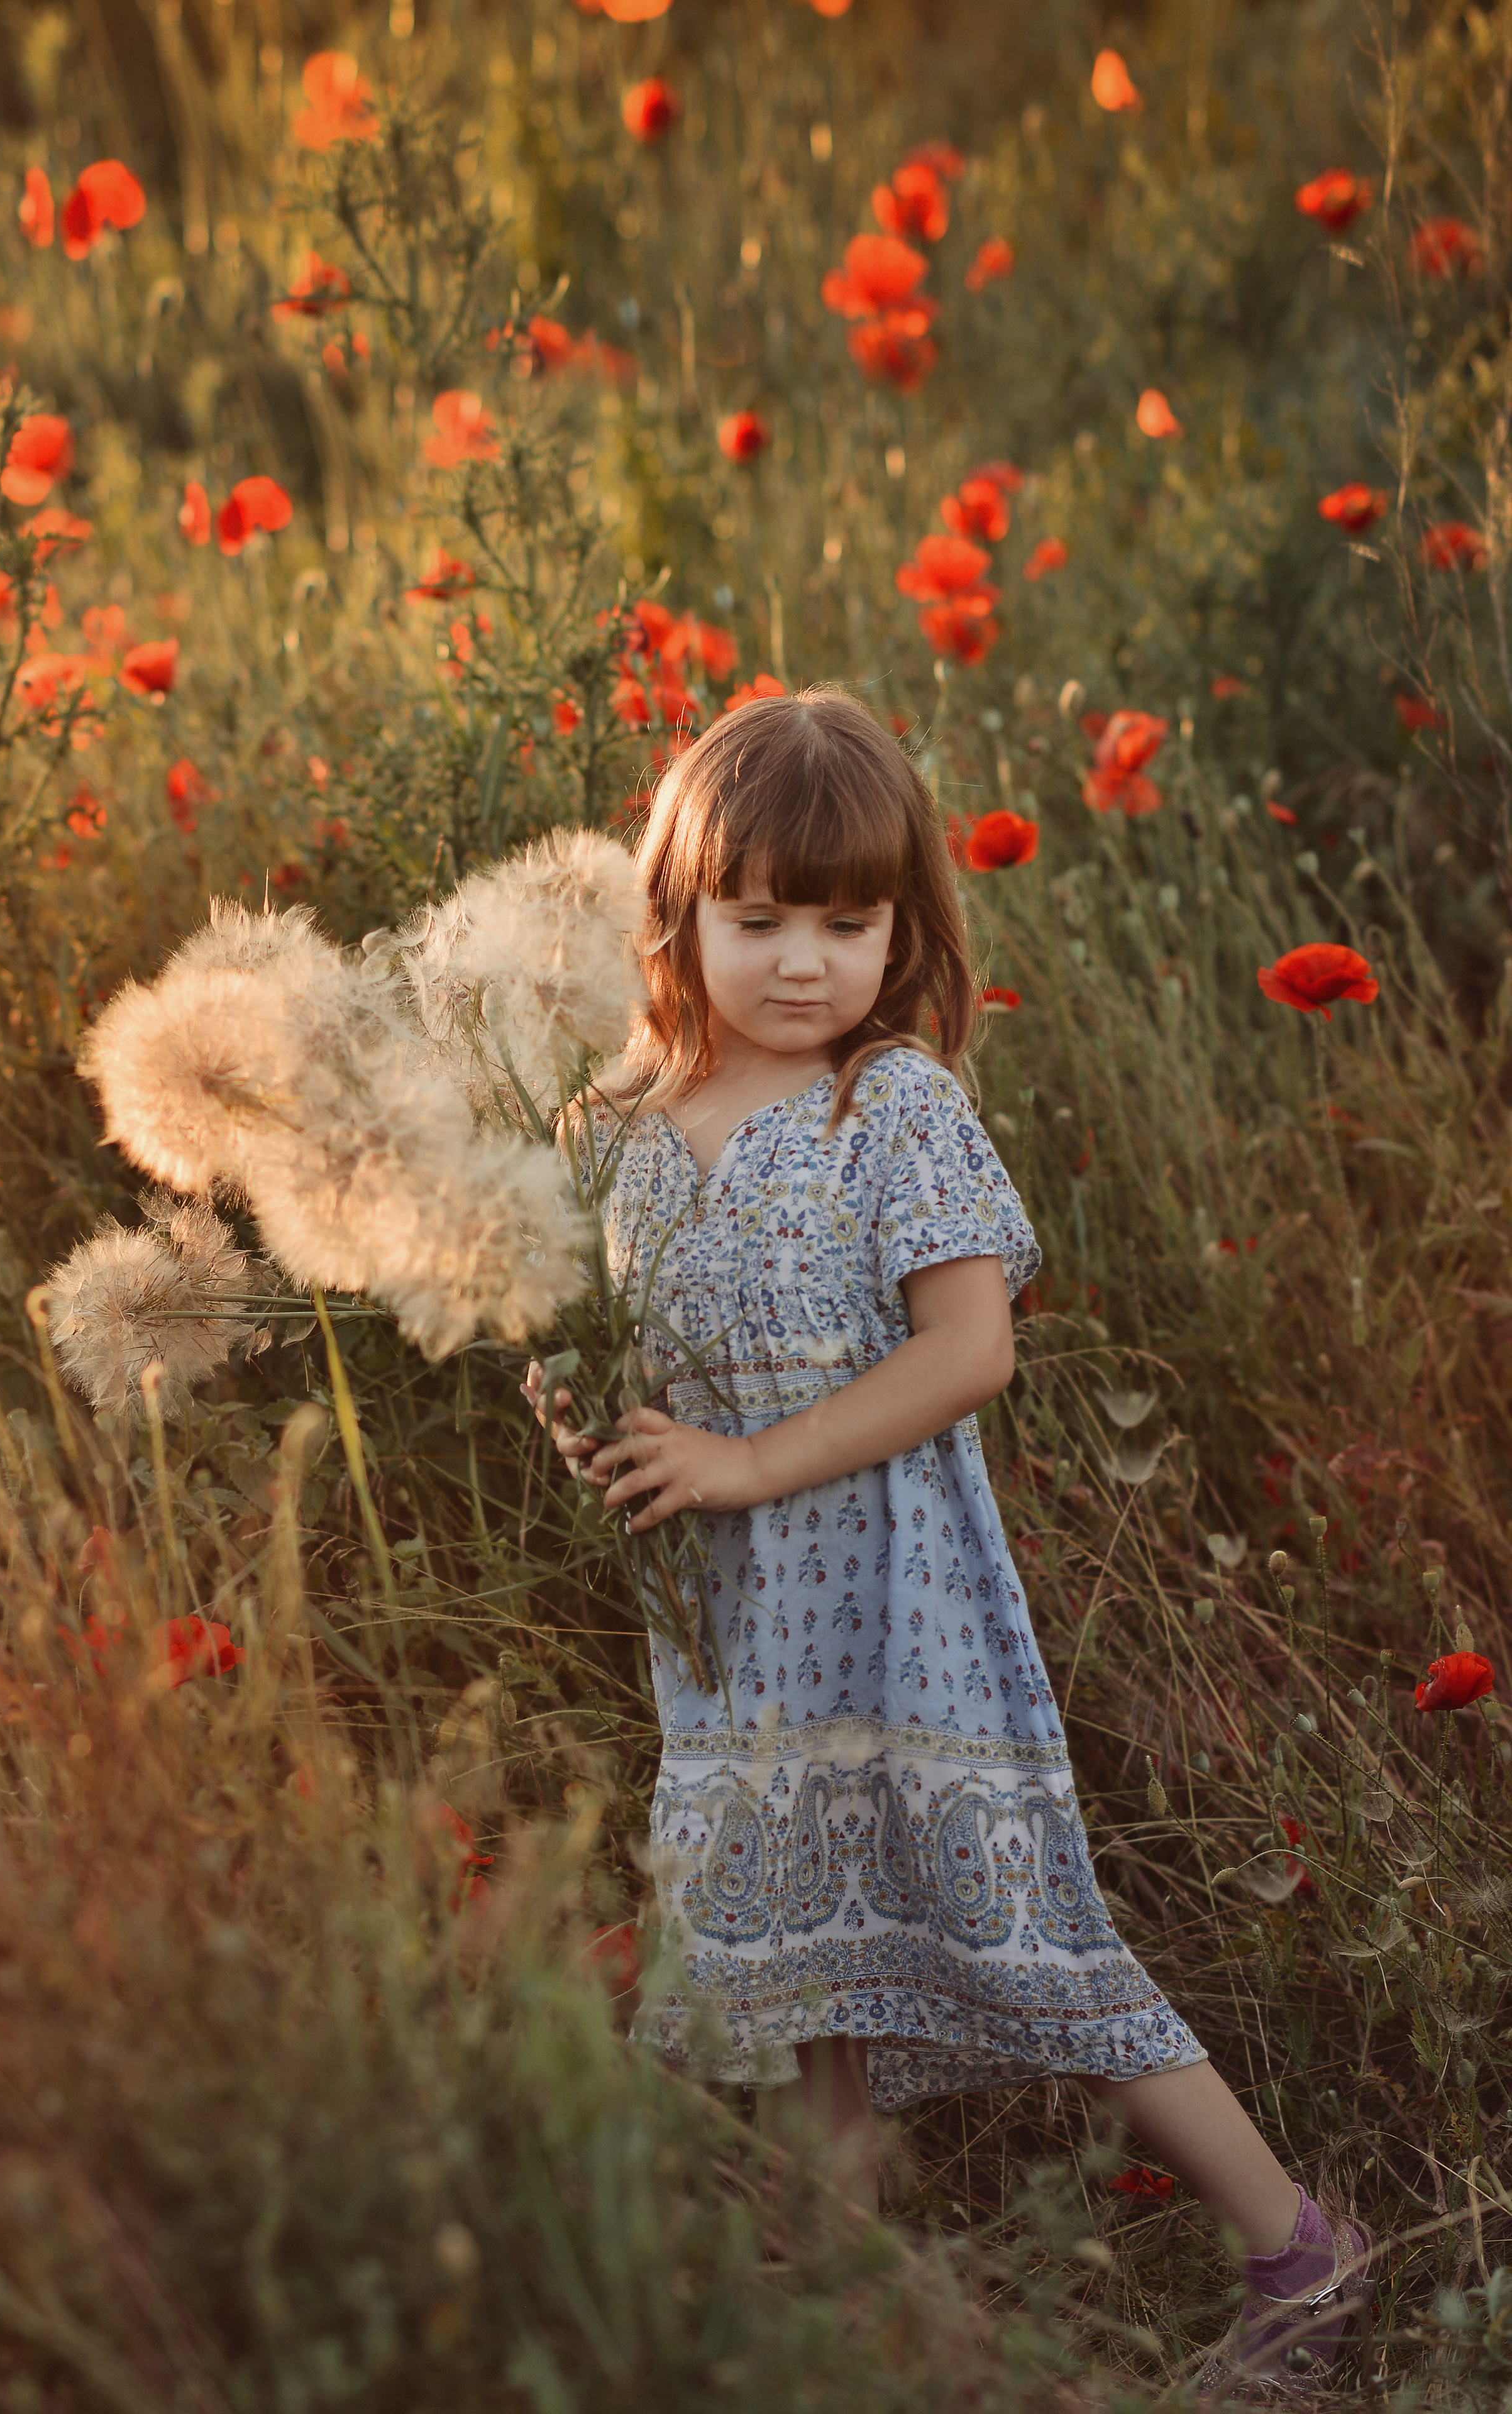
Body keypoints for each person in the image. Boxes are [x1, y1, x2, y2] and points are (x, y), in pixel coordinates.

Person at [524, 688, 1372, 2398]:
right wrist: (586, 1414)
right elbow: (588, 1343)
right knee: (805, 1987)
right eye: (759, 918)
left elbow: (969, 1352)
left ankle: (1302, 2245)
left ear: (905, 927)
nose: (803, 962)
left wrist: (752, 1461)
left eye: (851, 921)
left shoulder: (886, 1109)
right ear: (676, 915)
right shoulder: (610, 1131)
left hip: (900, 1607)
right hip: (734, 1634)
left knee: (1029, 1937)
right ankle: (855, 2323)